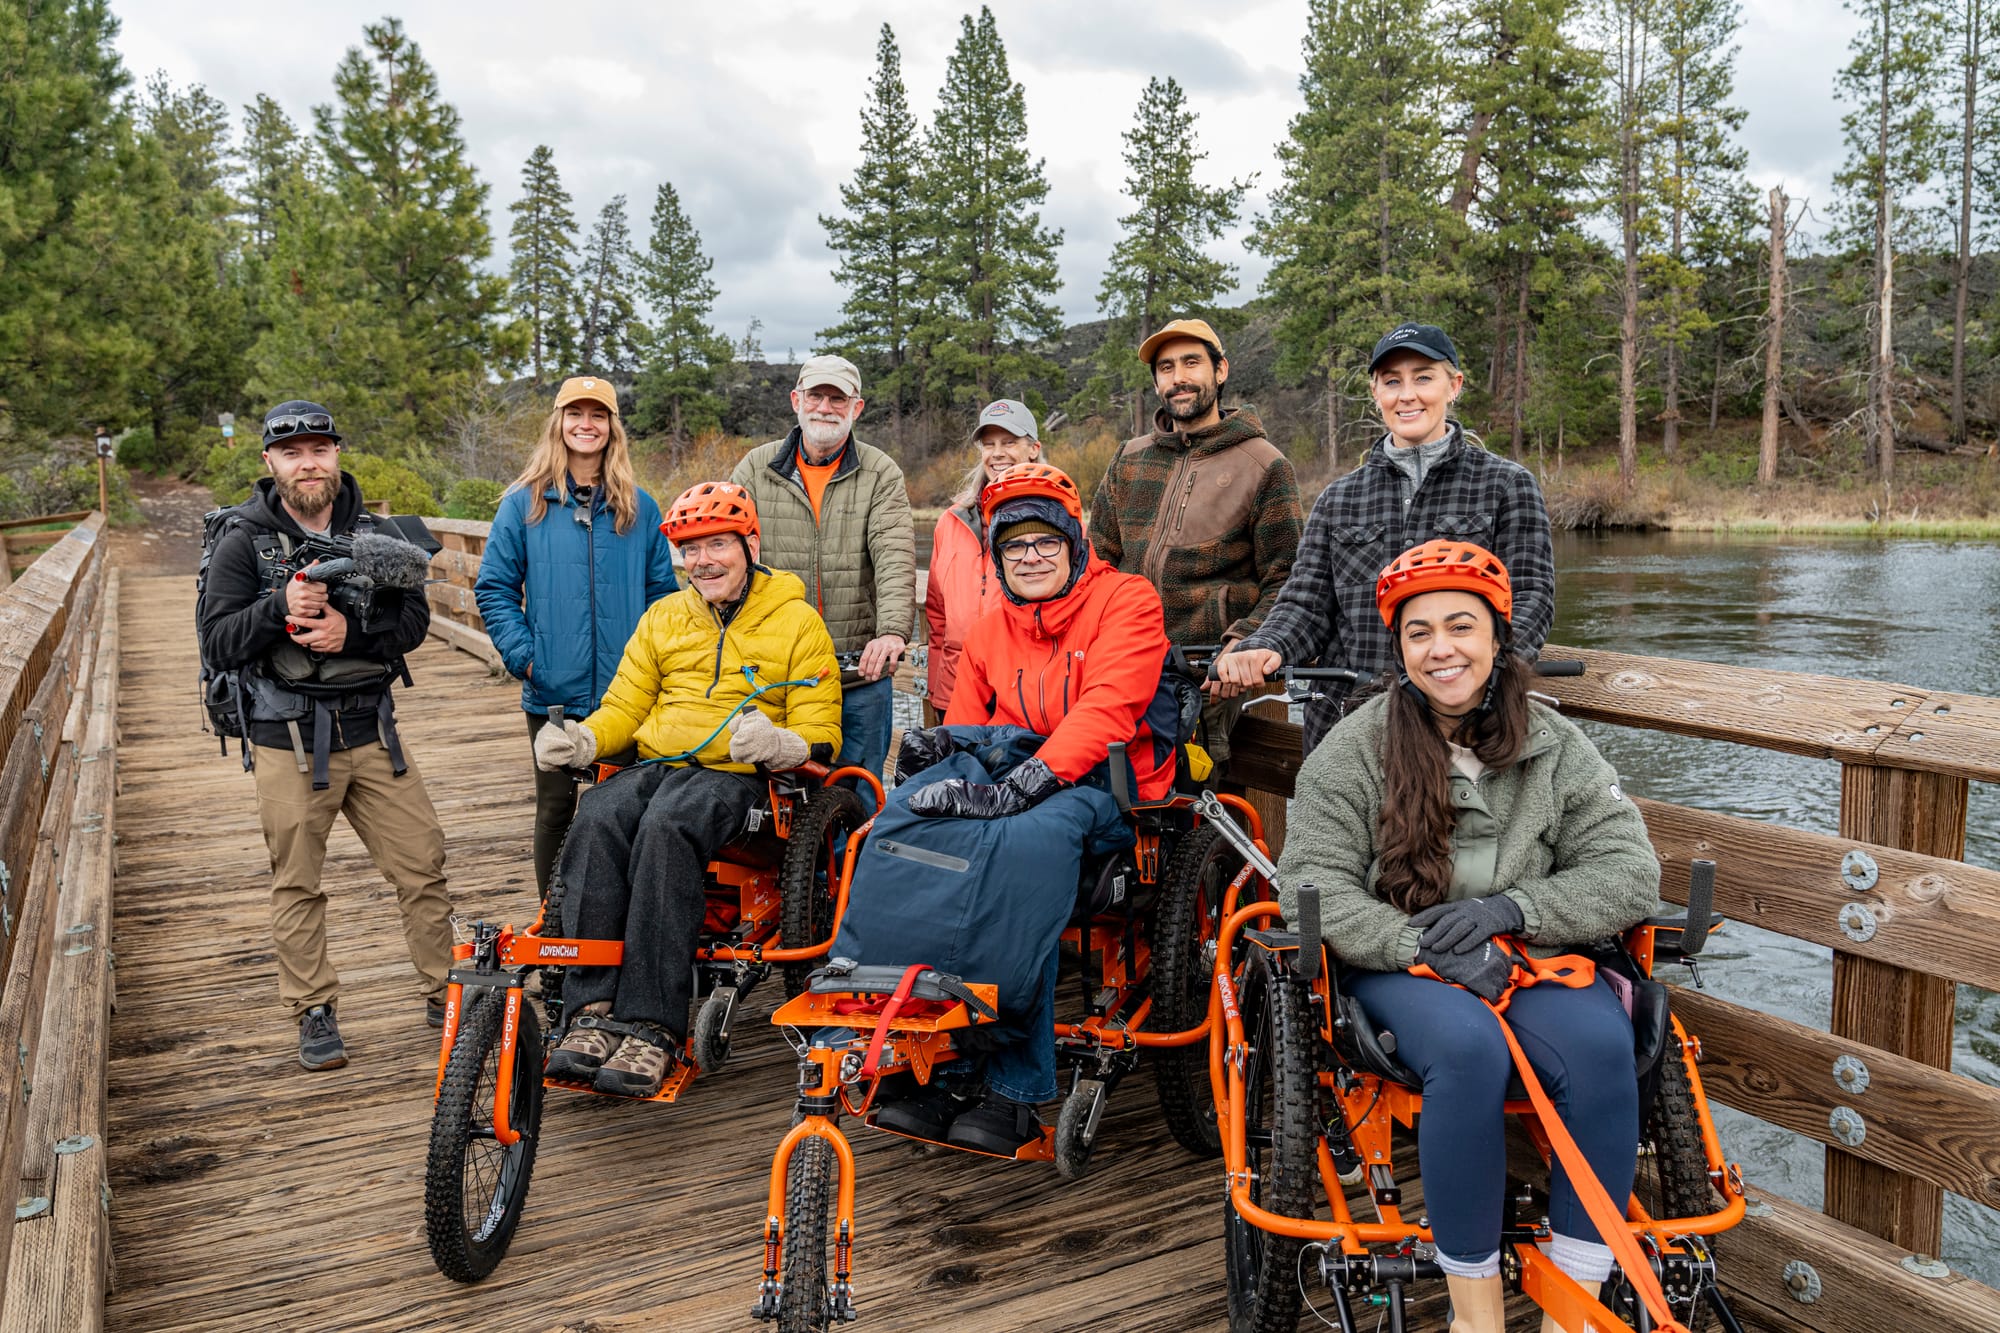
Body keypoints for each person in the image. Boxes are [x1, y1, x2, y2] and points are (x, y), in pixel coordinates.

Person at [1274, 540, 1660, 1333]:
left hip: (1530, 954)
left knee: (1600, 1047)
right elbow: (1309, 883)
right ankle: (1474, 1315)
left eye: (1460, 626)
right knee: (1467, 1051)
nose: (1441, 648)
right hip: (1401, 957)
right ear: (1399, 647)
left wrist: (1512, 910)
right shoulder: (1357, 745)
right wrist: (1417, 943)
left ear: (1496, 637)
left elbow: (1629, 871)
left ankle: (1574, 1309)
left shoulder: (1554, 746)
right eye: (1419, 632)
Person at [876, 463, 1173, 1154]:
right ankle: (936, 1060)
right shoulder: (988, 631)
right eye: (1014, 546)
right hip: (1014, 783)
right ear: (998, 557)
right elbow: (965, 728)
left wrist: (1031, 778)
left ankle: (1016, 1085)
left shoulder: (1128, 601)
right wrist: (932, 768)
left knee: (1016, 857)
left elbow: (1108, 706)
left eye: (1045, 542)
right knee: (925, 848)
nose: (1031, 556)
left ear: (1074, 543)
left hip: (1107, 784)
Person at [531, 482, 840, 1098]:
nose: (703, 561)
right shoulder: (665, 616)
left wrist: (780, 743)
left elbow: (821, 728)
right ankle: (589, 1011)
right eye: (690, 549)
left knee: (668, 823)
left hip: (743, 780)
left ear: (750, 544)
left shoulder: (797, 621)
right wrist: (586, 741)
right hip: (662, 762)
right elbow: (625, 704)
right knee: (598, 812)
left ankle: (653, 1023)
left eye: (718, 544)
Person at [196, 401, 453, 1071]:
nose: (308, 462)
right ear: (270, 463)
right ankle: (312, 1007)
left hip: (373, 727)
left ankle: (442, 991)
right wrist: (278, 608)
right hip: (286, 733)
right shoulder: (242, 542)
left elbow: (416, 623)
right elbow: (218, 642)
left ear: (337, 453)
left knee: (421, 865)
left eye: (319, 448)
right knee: (298, 879)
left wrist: (353, 635)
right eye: (292, 452)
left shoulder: (379, 531)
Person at [1215, 322, 1555, 753]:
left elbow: (1530, 598)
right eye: (1392, 382)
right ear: (1376, 394)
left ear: (1454, 386)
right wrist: (1265, 646)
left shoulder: (1507, 486)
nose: (1407, 394)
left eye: (1423, 378)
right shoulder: (1338, 499)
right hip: (1350, 729)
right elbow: (1304, 605)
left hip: (1467, 730)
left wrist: (1482, 673)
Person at [475, 376, 679, 895]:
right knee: (556, 811)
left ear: (613, 428)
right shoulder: (523, 505)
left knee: (632, 809)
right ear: (558, 423)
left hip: (629, 694)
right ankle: (555, 926)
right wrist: (527, 658)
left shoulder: (641, 508)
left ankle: (621, 925)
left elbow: (664, 598)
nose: (586, 425)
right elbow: (494, 587)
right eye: (575, 414)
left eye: (598, 415)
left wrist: (658, 671)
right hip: (552, 693)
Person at [1089, 318, 1302, 769]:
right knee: (1118, 808)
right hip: (1122, 671)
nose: (1178, 377)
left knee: (1200, 816)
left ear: (1220, 371)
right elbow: (1095, 563)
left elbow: (1287, 579)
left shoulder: (1264, 465)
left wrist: (1243, 640)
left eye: (1191, 363)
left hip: (1206, 680)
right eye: (1166, 368)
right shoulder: (1130, 458)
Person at [731, 355, 914, 811]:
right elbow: (729, 551)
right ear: (797, 400)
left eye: (838, 398)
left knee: (860, 793)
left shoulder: (880, 472)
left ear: (857, 408)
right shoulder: (755, 468)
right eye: (816, 395)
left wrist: (892, 630)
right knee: (775, 796)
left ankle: (858, 882)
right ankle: (797, 884)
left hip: (858, 669)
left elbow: (893, 553)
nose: (826, 407)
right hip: (777, 668)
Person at [923, 398, 1044, 723]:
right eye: (988, 444)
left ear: (1034, 449)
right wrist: (937, 688)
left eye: (1009, 442)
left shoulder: (1059, 520)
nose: (997, 453)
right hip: (956, 692)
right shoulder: (951, 521)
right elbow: (937, 615)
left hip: (1027, 694)